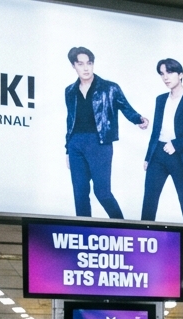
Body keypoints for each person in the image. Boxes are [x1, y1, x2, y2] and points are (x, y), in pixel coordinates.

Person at [63, 46, 147, 219]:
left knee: (102, 192)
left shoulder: (110, 88)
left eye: (89, 63)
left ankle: (122, 227)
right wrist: (67, 149)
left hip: (99, 142)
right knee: (80, 192)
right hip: (75, 144)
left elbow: (125, 107)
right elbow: (69, 120)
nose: (86, 68)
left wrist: (138, 119)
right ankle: (82, 230)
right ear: (74, 66)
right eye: (80, 64)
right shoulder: (69, 91)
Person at [141, 58, 183, 223]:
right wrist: (148, 156)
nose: (165, 77)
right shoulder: (160, 99)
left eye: (169, 72)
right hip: (158, 154)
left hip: (182, 156)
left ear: (181, 74)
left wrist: (176, 145)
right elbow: (156, 131)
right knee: (149, 198)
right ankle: (142, 235)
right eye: (162, 73)